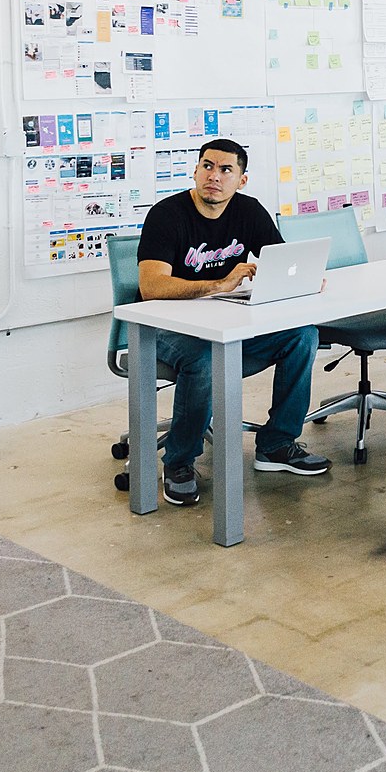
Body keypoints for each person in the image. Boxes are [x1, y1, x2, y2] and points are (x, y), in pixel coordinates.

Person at [136, 138, 329, 507]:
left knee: (303, 335)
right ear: (195, 171)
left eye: (226, 170)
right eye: (207, 166)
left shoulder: (249, 211)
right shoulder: (167, 214)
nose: (214, 176)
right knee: (205, 358)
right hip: (160, 327)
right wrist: (219, 284)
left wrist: (303, 278)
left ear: (241, 180)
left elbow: (283, 259)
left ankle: (276, 444)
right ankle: (178, 462)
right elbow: (151, 286)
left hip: (223, 319)